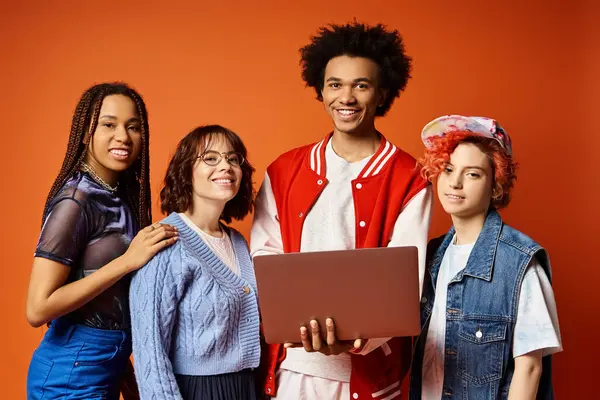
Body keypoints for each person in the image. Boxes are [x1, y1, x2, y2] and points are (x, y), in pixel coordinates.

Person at [250, 22, 432, 400]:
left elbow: (405, 280)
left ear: (382, 93)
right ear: (320, 88)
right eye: (335, 84)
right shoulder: (283, 170)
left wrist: (356, 337)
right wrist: (296, 322)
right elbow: (264, 258)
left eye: (360, 85)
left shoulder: (410, 178)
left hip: (370, 375)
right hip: (293, 369)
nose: (345, 97)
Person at [26, 82, 178, 399]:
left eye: (133, 127)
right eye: (108, 124)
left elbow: (111, 303)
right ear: (86, 132)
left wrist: (126, 373)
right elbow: (38, 309)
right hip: (67, 378)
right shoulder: (75, 200)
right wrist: (126, 262)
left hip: (105, 369)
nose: (122, 136)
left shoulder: (122, 197)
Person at [409, 115, 562, 399]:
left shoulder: (519, 263)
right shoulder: (429, 255)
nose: (454, 182)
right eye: (448, 168)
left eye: (472, 174)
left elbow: (529, 369)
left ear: (495, 186)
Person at [129, 125, 261, 400]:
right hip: (195, 391)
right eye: (210, 158)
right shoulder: (164, 243)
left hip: (248, 387)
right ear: (186, 171)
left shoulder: (237, 241)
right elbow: (149, 352)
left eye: (233, 159)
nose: (225, 166)